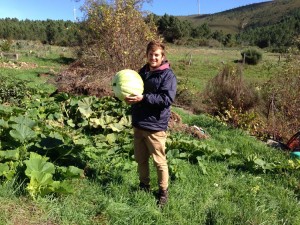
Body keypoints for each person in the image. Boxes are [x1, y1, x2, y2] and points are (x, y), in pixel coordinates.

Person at [125, 40, 177, 206]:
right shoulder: (143, 71)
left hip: (155, 125)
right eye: (150, 54)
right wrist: (130, 98)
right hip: (139, 122)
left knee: (159, 161)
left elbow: (166, 99)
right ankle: (144, 185)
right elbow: (135, 90)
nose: (153, 58)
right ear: (146, 55)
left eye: (156, 55)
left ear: (162, 56)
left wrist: (143, 98)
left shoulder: (168, 75)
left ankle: (163, 192)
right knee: (141, 159)